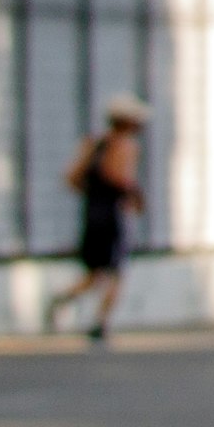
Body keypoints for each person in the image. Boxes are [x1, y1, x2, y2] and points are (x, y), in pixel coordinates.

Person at [45, 99, 149, 343]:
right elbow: (120, 177)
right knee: (115, 272)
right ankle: (100, 322)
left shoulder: (93, 144)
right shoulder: (126, 146)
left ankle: (62, 299)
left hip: (92, 212)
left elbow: (72, 178)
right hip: (111, 214)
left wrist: (93, 194)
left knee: (94, 273)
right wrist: (133, 196)